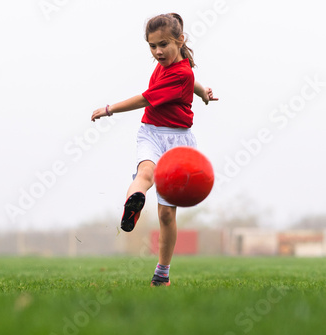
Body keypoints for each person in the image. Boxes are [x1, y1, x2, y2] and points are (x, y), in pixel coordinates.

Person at [90, 13, 218, 287]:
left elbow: (146, 98)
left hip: (178, 143)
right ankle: (134, 204)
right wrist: (204, 93)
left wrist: (110, 109)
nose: (158, 51)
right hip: (150, 131)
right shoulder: (179, 66)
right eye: (152, 46)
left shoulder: (180, 72)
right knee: (145, 172)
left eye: (163, 44)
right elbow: (193, 81)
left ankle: (162, 272)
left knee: (165, 214)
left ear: (180, 40)